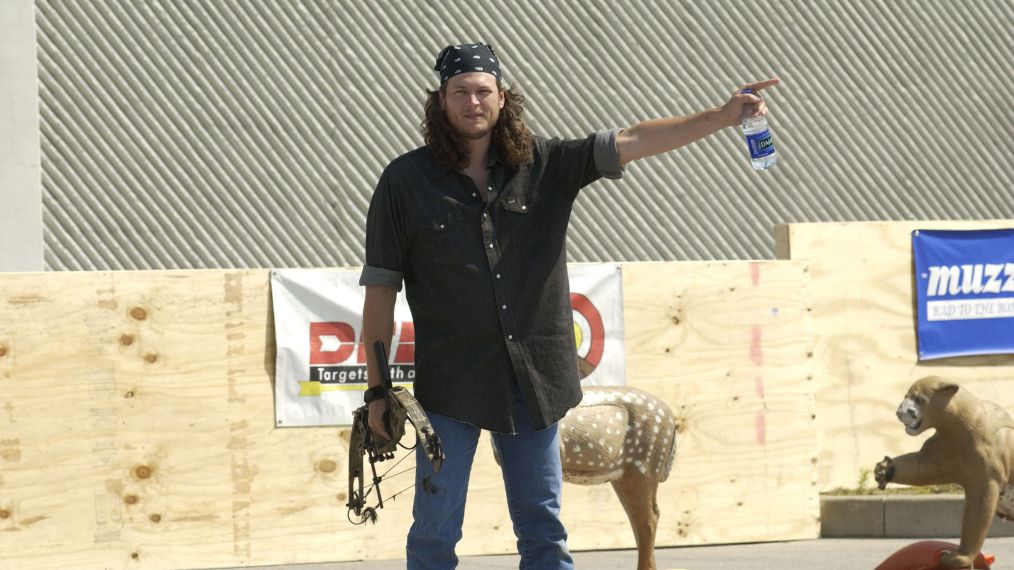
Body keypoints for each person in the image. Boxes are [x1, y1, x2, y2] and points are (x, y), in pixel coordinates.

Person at [358, 42, 779, 569]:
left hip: (535, 382)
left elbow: (634, 139)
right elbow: (379, 293)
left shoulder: (547, 163)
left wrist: (721, 117)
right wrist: (376, 392)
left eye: (482, 91)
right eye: (460, 92)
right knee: (434, 534)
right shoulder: (404, 182)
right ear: (440, 100)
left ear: (502, 97)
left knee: (544, 532)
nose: (472, 103)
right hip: (450, 385)